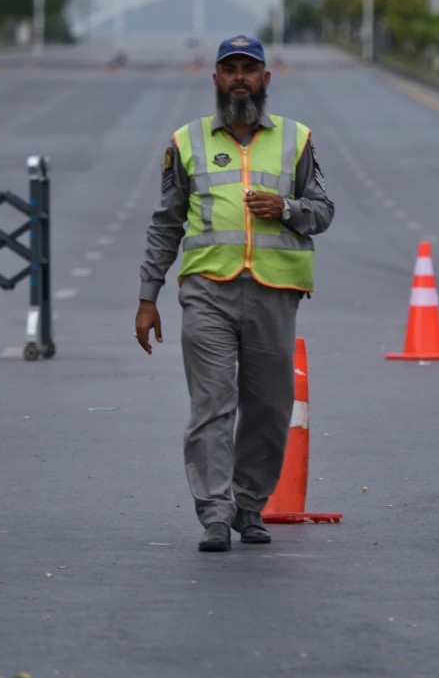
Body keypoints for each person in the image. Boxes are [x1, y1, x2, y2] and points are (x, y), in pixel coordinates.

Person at [135, 35, 335, 553]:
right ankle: (215, 514)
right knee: (212, 405)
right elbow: (165, 223)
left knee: (269, 407)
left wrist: (286, 209)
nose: (240, 77)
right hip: (208, 291)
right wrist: (148, 295)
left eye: (249, 69)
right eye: (231, 69)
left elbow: (323, 210)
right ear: (217, 80)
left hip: (274, 292)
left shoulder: (296, 139)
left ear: (265, 79)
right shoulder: (187, 141)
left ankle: (249, 505)